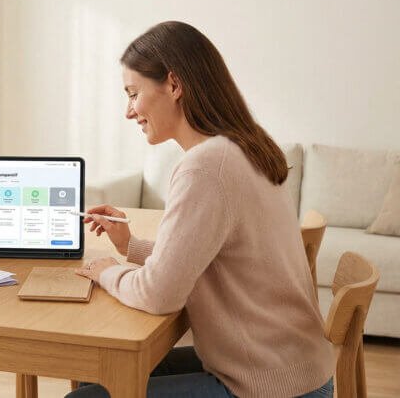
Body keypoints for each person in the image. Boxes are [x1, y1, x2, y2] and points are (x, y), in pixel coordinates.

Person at [68, 21, 334, 397]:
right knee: (98, 372)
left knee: (87, 396)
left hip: (269, 384)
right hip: (294, 368)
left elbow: (160, 295)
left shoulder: (205, 167)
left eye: (133, 93)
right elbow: (209, 256)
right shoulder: (243, 146)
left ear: (174, 85)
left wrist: (107, 271)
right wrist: (131, 245)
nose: (129, 111)